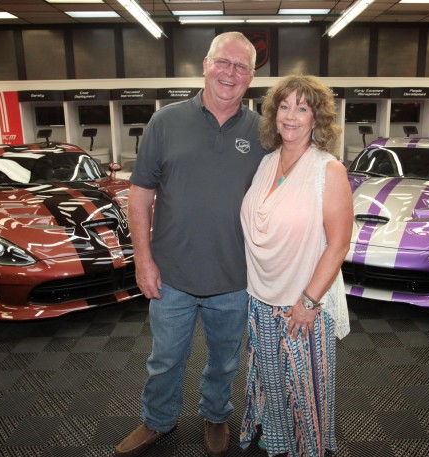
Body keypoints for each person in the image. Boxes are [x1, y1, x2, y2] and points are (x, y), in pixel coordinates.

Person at [114, 32, 266, 457]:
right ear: (205, 64)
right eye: (223, 62)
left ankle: (216, 416)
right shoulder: (165, 122)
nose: (229, 73)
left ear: (251, 77)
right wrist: (142, 261)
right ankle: (157, 421)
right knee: (164, 360)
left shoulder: (262, 132)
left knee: (224, 362)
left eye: (240, 67)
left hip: (234, 278)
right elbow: (139, 195)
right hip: (171, 276)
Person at [239, 75, 354, 456]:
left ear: (316, 119)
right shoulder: (266, 162)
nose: (291, 116)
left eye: (302, 108)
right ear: (273, 115)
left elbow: (338, 245)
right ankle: (277, 442)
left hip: (302, 304)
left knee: (305, 389)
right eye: (284, 106)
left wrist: (308, 301)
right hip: (260, 299)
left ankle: (309, 448)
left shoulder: (328, 170)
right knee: (271, 383)